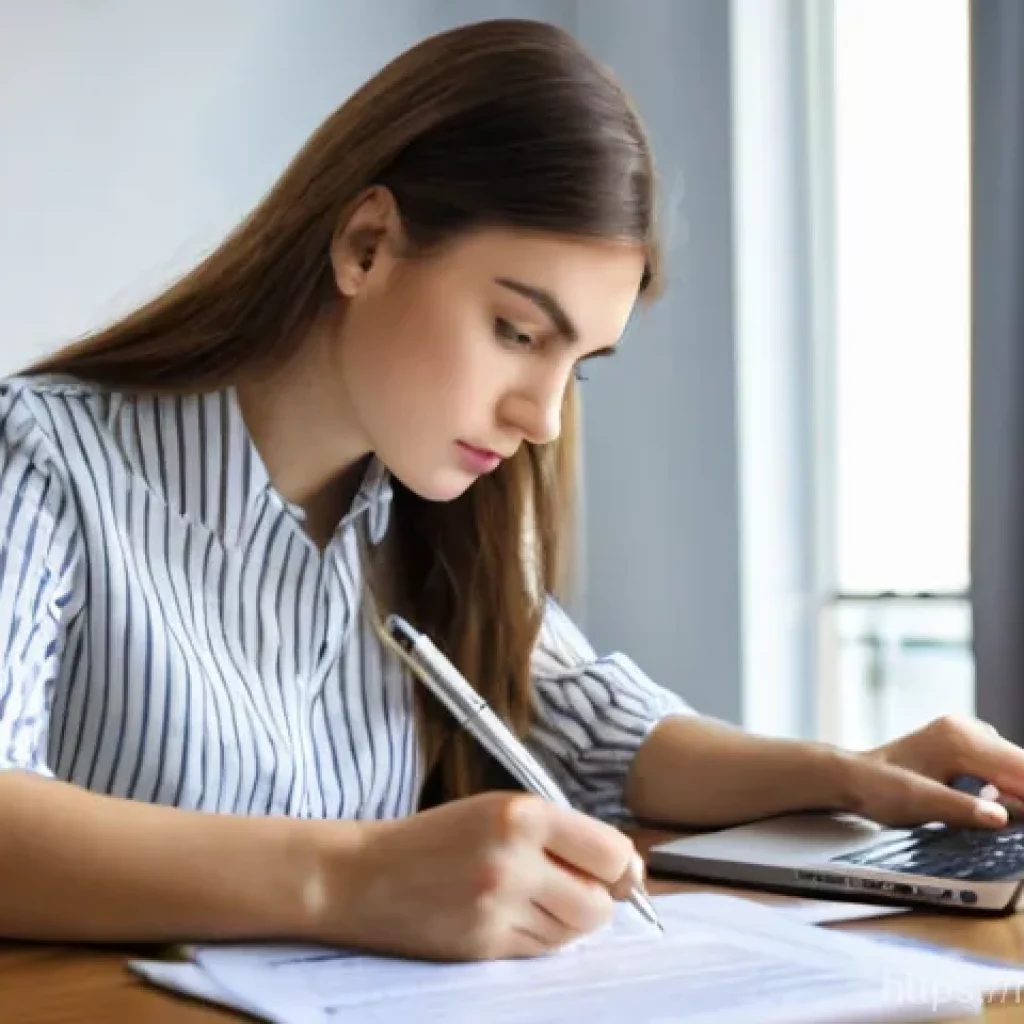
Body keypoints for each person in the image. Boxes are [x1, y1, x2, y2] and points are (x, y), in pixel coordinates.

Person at [0, 18, 1021, 964]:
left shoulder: (423, 514)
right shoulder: (43, 456)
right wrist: (354, 877)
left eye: (577, 364)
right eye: (517, 334)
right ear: (366, 246)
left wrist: (848, 773)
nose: (542, 417)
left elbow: (603, 734)